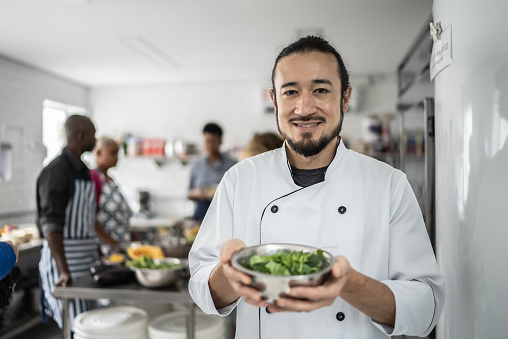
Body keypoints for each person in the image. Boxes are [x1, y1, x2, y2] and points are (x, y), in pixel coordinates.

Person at [188, 36, 445, 338]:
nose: (304, 107)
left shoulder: (388, 184)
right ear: (274, 100)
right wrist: (230, 274)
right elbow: (200, 287)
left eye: (321, 90)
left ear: (345, 98)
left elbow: (426, 307)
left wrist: (350, 284)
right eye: (290, 92)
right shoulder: (240, 179)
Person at [36, 114, 104, 328]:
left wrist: (98, 250)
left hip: (86, 263)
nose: (96, 138)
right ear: (82, 136)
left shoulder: (82, 171)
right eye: (93, 133)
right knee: (76, 327)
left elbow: (86, 218)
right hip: (66, 265)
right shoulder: (56, 171)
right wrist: (64, 270)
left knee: (91, 326)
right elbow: (51, 225)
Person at [90, 136, 139, 257]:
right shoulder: (93, 179)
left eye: (118, 153)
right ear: (98, 153)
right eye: (113, 153)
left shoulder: (111, 181)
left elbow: (120, 217)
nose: (117, 157)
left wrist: (135, 239)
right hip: (107, 251)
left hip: (121, 248)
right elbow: (90, 220)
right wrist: (113, 244)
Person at [188, 122, 236, 221]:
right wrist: (197, 193)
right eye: (207, 141)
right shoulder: (196, 166)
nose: (210, 145)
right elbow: (188, 193)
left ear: (220, 141)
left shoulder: (233, 164)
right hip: (201, 216)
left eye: (213, 141)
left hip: (226, 216)